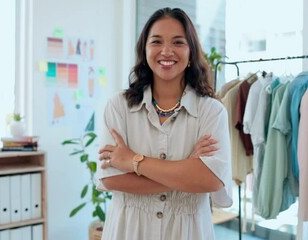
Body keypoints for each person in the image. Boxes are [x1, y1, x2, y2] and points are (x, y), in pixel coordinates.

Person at [96, 7, 232, 240]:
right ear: (145, 50)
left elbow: (210, 179)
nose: (166, 51)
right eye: (157, 41)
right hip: (129, 230)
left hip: (188, 232)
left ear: (191, 52)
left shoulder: (212, 111)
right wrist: (186, 170)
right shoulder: (118, 106)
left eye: (178, 42)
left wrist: (133, 161)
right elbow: (111, 179)